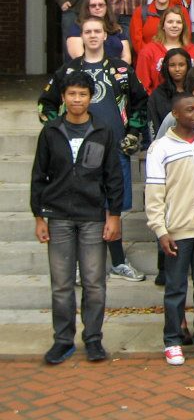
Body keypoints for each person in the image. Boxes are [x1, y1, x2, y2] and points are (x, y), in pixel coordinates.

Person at [38, 16, 148, 283]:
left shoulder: (121, 70)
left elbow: (140, 103)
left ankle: (119, 262)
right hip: (76, 153)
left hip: (114, 150)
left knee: (114, 207)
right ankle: (77, 266)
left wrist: (133, 133)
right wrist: (58, 134)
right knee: (79, 205)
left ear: (105, 35)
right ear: (82, 36)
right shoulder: (67, 71)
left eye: (98, 31)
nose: (93, 35)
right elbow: (46, 104)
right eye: (87, 31)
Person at [31, 72, 122, 365]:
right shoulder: (51, 131)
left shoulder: (102, 131)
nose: (77, 100)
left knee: (95, 282)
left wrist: (114, 215)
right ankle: (62, 340)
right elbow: (38, 176)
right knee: (61, 283)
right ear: (63, 98)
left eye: (82, 94)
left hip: (93, 216)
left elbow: (113, 177)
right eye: (71, 94)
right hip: (57, 216)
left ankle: (93, 338)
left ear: (90, 97)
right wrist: (39, 216)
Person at [146, 93, 194, 365]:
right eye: (189, 110)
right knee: (176, 288)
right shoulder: (161, 148)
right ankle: (172, 340)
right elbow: (154, 193)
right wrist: (161, 230)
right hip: (177, 231)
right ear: (175, 114)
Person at [135, 8, 194, 94]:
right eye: (170, 22)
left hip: (187, 102)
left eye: (178, 22)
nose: (174, 25)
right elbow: (142, 85)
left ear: (183, 26)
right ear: (163, 25)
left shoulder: (193, 50)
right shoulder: (148, 51)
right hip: (158, 102)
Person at [65, 0, 132, 63]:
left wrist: (117, 70)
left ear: (106, 7)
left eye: (101, 5)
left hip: (116, 71)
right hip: (86, 71)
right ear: (87, 8)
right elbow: (78, 57)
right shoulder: (77, 28)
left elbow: (127, 57)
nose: (97, 8)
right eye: (93, 5)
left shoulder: (116, 28)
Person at [146, 48, 192, 140]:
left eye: (181, 65)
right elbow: (153, 126)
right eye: (172, 65)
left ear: (188, 66)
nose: (177, 69)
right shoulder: (157, 95)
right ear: (166, 67)